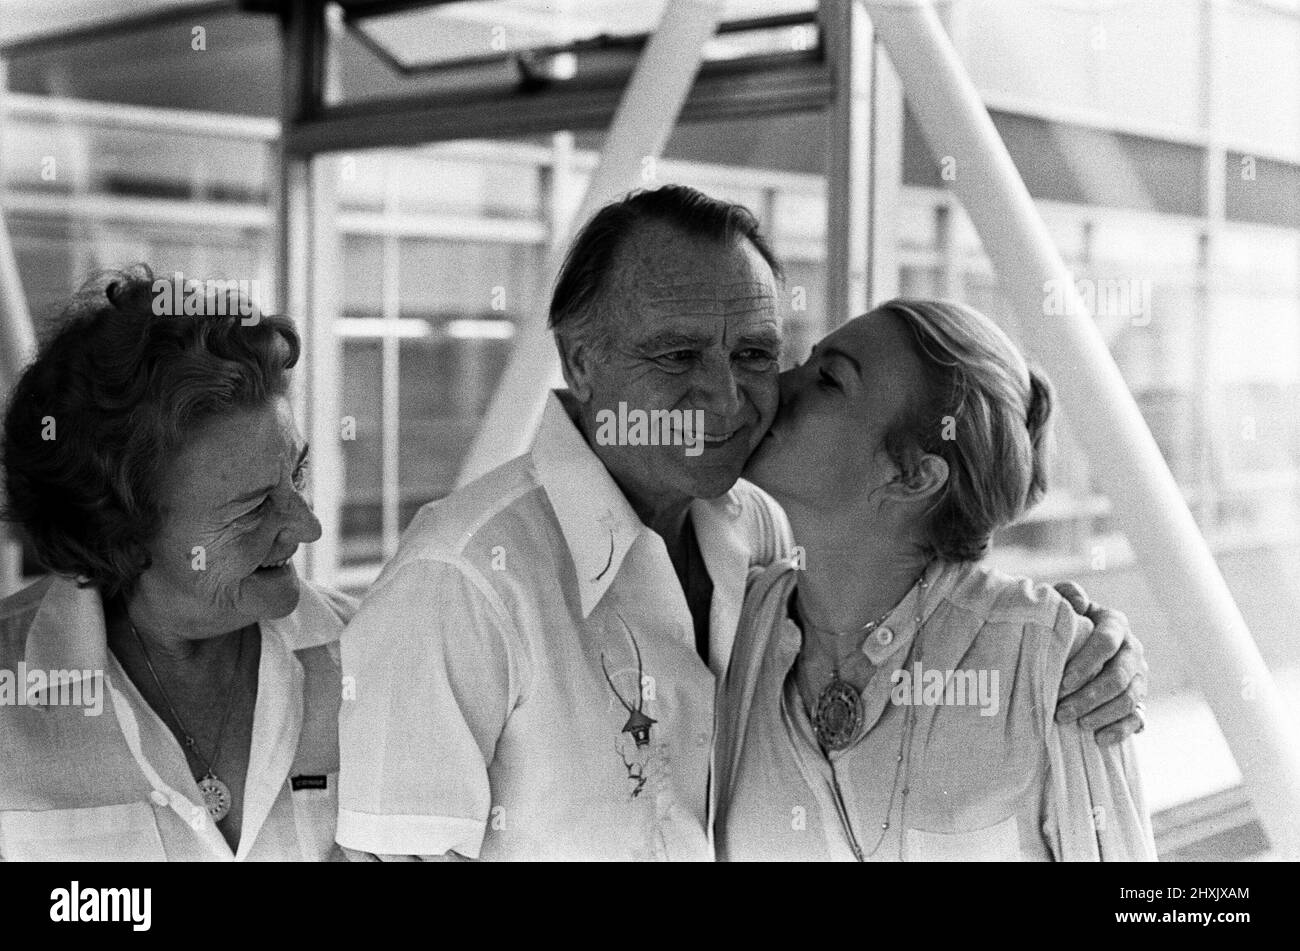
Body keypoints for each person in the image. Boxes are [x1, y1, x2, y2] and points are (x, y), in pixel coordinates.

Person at [336, 185, 1146, 861]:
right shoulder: (462, 581)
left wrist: (1060, 641)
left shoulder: (753, 536)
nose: (727, 400)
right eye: (678, 357)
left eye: (757, 354)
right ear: (581, 360)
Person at [714, 299, 1156, 861]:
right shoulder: (737, 623)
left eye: (828, 379)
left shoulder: (1047, 666)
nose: (779, 384)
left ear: (914, 475)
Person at [0, 267, 353, 861]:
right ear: (120, 534)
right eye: (252, 509)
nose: (305, 527)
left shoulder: (378, 655)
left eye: (294, 476)